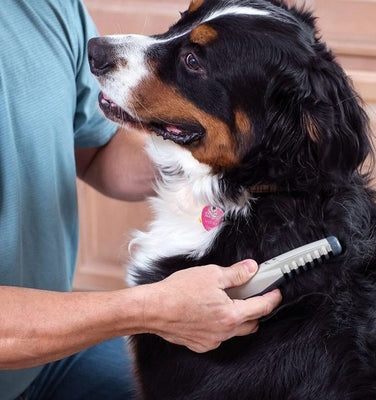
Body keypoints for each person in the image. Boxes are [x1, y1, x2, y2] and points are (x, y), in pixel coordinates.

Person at [0, 0, 282, 399]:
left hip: (49, 353)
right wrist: (149, 311)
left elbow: (100, 154)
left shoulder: (44, 7)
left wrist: (245, 158)